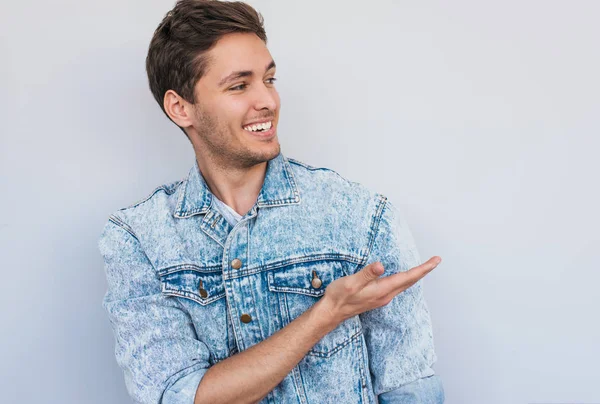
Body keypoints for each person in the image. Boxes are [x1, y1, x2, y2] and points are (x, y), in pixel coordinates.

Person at [98, 1, 445, 403]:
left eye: (269, 79)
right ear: (181, 107)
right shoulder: (138, 240)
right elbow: (183, 398)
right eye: (239, 85)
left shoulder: (360, 215)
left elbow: (410, 388)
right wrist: (326, 313)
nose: (268, 101)